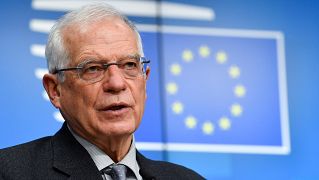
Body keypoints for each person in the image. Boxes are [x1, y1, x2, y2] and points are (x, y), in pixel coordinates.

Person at [0, 3, 204, 180]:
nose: (116, 83)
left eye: (130, 65)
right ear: (55, 90)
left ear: (145, 80)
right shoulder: (9, 172)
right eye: (93, 68)